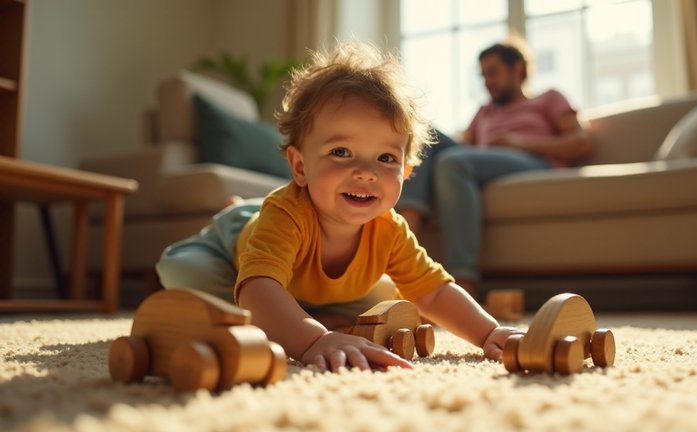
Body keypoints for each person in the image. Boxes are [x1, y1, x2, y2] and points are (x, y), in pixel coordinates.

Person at [156, 41, 524, 372]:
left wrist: (488, 331)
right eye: (341, 152)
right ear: (300, 166)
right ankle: (240, 214)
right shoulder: (287, 214)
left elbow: (435, 292)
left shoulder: (390, 229)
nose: (365, 173)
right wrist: (314, 339)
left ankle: (303, 310)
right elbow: (258, 288)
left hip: (313, 286)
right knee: (184, 273)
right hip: (234, 251)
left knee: (387, 297)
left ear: (406, 172)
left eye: (385, 157)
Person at [395, 38, 593, 296]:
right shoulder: (484, 111)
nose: (487, 81)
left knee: (453, 161)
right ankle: (404, 235)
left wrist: (520, 142)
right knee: (425, 135)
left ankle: (462, 280)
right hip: (480, 164)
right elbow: (463, 148)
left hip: (532, 161)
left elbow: (582, 142)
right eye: (483, 75)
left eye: (493, 72)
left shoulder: (548, 98)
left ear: (518, 69)